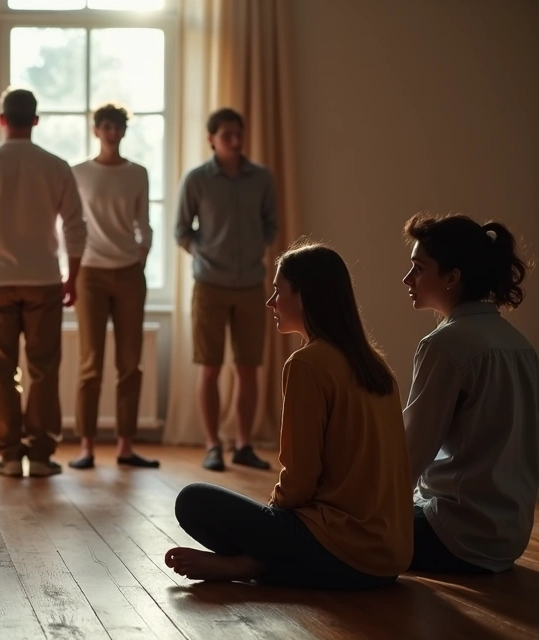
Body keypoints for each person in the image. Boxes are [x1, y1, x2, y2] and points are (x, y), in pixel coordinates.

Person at [165, 241, 412, 590]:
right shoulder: (377, 365)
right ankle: (261, 562)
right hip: (390, 558)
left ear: (304, 296)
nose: (270, 302)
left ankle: (248, 565)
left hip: (342, 551)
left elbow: (299, 480)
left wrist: (271, 524)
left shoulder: (307, 363)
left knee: (193, 501)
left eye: (278, 291)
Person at [0, 88, 86, 478]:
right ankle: (41, 455)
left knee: (2, 369)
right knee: (44, 369)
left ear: (2, 120)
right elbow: (76, 227)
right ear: (35, 120)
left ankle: (10, 455)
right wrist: (72, 276)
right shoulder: (56, 166)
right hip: (44, 279)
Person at [401, 213, 538, 574]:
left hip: (454, 536)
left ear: (452, 277)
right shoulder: (520, 346)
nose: (407, 279)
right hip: (508, 537)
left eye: (418, 268)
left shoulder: (445, 344)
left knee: (331, 524)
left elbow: (410, 457)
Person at [175, 108, 278, 471]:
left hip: (251, 284)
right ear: (211, 139)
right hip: (209, 285)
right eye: (227, 135)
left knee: (248, 368)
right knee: (210, 368)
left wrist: (253, 249)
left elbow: (271, 225)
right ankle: (212, 445)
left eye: (239, 134)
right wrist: (206, 254)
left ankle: (244, 445)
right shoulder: (196, 180)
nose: (235, 141)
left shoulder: (261, 178)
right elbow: (181, 230)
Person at [68, 103, 158, 471]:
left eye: (118, 127)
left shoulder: (137, 173)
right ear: (96, 130)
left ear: (123, 131)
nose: (112, 132)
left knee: (130, 364)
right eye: (106, 126)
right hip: (90, 272)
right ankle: (86, 447)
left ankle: (125, 446)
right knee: (91, 363)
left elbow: (144, 222)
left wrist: (141, 255)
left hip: (129, 272)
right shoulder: (78, 173)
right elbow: (70, 222)